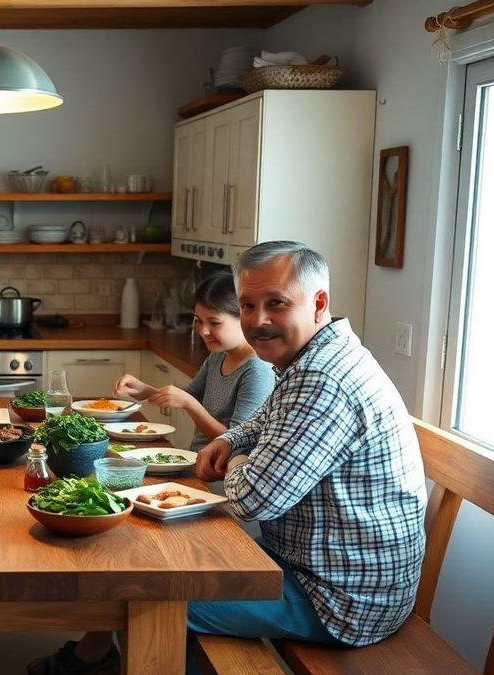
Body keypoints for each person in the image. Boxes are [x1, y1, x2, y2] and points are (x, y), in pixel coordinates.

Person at [28, 242, 427, 674]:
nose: (258, 320)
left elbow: (253, 499)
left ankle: (100, 660)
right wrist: (235, 439)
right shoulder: (317, 357)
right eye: (248, 305)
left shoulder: (321, 380)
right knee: (160, 558)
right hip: (317, 570)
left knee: (146, 594)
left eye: (276, 303)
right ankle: (100, 658)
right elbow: (265, 421)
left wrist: (237, 461)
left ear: (319, 303)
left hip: (338, 599)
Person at [112, 272, 275, 452]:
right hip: (198, 462)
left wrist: (190, 405)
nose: (203, 331)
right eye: (198, 321)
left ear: (245, 318)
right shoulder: (218, 356)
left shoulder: (257, 371)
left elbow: (236, 442)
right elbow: (186, 397)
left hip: (223, 476)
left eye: (214, 323)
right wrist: (143, 390)